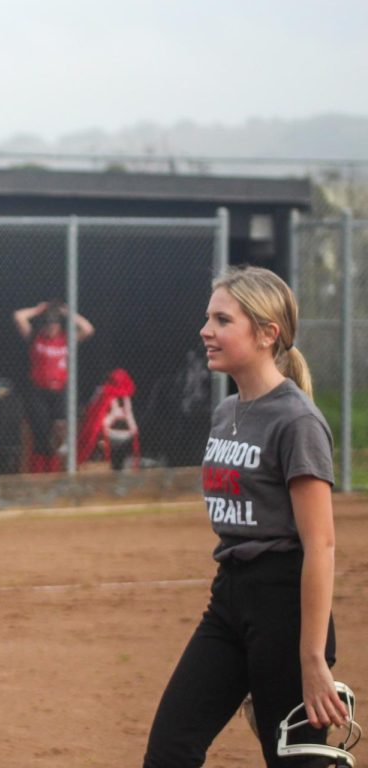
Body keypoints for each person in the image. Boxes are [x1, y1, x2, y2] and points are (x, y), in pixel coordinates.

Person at [143, 266, 346, 767]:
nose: (205, 330)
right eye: (207, 317)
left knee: (295, 761)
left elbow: (319, 545)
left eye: (221, 319)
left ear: (266, 334)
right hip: (230, 597)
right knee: (170, 748)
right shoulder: (225, 412)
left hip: (284, 608)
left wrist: (312, 657)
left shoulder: (297, 421)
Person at [12, 299, 94, 472]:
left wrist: (68, 313)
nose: (51, 327)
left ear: (59, 325)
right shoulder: (35, 337)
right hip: (39, 391)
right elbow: (18, 316)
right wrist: (36, 310)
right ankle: (43, 465)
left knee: (60, 426)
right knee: (41, 433)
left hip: (60, 390)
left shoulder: (66, 340)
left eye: (54, 323)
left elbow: (88, 329)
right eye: (48, 323)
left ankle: (62, 459)